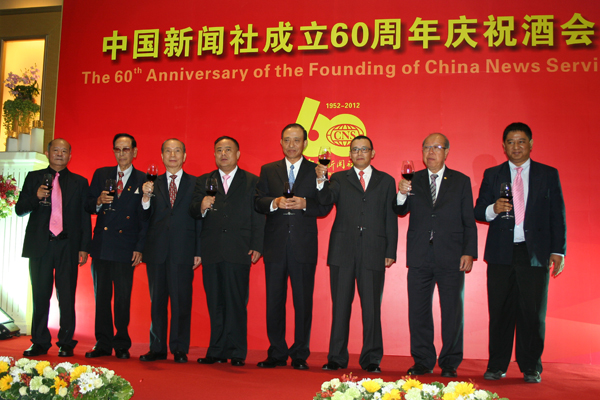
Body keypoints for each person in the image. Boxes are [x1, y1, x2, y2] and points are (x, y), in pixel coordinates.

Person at [474, 122, 566, 383]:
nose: (516, 146)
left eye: (521, 141)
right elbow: (478, 210)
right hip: (501, 253)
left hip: (534, 252)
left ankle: (531, 366)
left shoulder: (548, 174)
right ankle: (497, 365)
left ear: (531, 144)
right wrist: (493, 208)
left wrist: (558, 251)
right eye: (511, 142)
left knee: (532, 313)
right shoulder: (492, 174)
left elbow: (557, 214)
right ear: (503, 146)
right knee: (500, 311)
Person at [394, 133, 477, 378]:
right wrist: (401, 193)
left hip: (451, 255)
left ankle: (450, 362)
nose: (431, 152)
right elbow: (399, 210)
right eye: (427, 147)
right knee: (418, 311)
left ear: (447, 152)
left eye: (437, 147)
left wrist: (469, 251)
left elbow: (469, 220)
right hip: (419, 255)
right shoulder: (412, 179)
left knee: (452, 311)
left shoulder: (460, 181)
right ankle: (423, 361)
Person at [315, 135, 398, 373]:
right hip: (342, 249)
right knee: (340, 306)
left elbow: (390, 217)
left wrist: (390, 250)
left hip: (374, 250)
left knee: (371, 308)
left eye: (364, 149)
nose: (359, 153)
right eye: (354, 150)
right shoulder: (339, 178)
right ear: (349, 154)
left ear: (373, 153)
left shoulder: (386, 180)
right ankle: (336, 357)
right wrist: (321, 181)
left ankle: (371, 359)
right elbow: (325, 201)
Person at [254, 123, 332, 370]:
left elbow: (325, 205)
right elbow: (257, 202)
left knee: (303, 302)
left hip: (303, 245)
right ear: (280, 142)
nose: (291, 145)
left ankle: (300, 353)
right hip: (275, 245)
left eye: (296, 140)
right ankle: (277, 352)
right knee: (274, 301)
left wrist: (305, 203)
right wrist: (275, 202)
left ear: (305, 143)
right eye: (287, 140)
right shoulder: (268, 170)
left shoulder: (316, 170)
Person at [191, 136, 265, 367]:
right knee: (215, 302)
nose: (223, 154)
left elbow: (258, 215)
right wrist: (201, 206)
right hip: (211, 249)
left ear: (238, 154)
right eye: (219, 150)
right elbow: (192, 211)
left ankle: (237, 351)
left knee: (236, 302)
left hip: (238, 248)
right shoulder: (204, 181)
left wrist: (257, 244)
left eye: (228, 150)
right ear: (214, 154)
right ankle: (216, 350)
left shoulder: (252, 181)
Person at [16, 139, 92, 357]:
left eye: (64, 151)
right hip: (41, 245)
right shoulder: (34, 178)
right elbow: (20, 209)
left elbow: (84, 217)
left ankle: (66, 342)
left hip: (68, 245)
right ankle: (39, 341)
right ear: (47, 153)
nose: (60, 154)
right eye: (55, 150)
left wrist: (84, 247)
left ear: (70, 156)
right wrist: (36, 196)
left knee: (67, 296)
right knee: (40, 295)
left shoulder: (79, 182)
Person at [84, 133, 148, 359]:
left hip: (126, 247)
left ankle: (121, 343)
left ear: (134, 152)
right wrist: (98, 201)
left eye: (126, 149)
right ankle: (102, 343)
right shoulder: (101, 174)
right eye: (117, 149)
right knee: (101, 297)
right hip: (102, 245)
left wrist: (140, 247)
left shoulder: (144, 179)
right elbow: (87, 205)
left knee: (122, 298)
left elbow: (145, 218)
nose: (122, 154)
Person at [138, 138, 201, 363]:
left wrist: (198, 250)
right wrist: (145, 198)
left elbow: (199, 219)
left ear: (184, 156)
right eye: (168, 151)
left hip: (184, 250)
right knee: (157, 302)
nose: (172, 155)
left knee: (181, 302)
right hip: (156, 250)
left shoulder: (196, 183)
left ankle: (179, 348)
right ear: (162, 156)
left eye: (177, 151)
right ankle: (157, 347)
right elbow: (143, 217)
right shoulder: (151, 183)